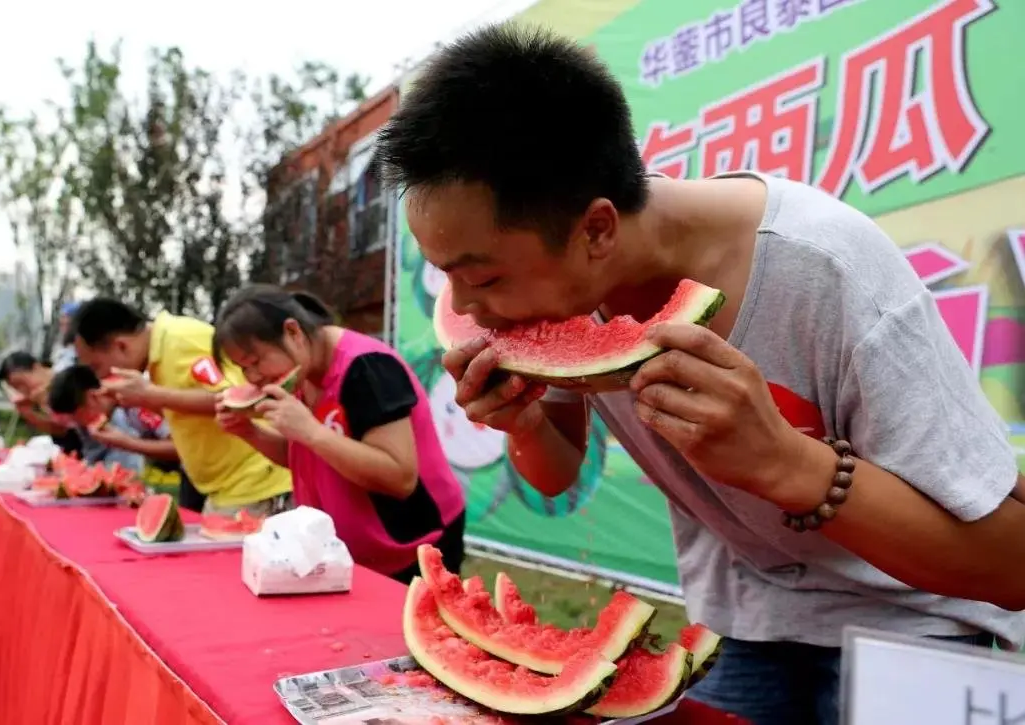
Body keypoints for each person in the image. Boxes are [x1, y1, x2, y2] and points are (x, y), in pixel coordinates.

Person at [373, 23, 1025, 725]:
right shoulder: (560, 288)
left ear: (596, 230)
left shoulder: (830, 269)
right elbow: (556, 470)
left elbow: (1008, 563)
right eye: (448, 278)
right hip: (743, 619)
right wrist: (524, 420)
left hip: (911, 626)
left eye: (484, 277)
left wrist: (789, 464)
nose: (465, 309)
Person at [210, 285, 466, 583]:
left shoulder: (366, 367)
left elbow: (400, 477)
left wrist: (311, 432)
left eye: (256, 362)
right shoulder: (302, 374)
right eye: (243, 369)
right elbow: (309, 458)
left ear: (293, 332)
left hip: (415, 547)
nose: (253, 377)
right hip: (351, 556)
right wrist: (250, 432)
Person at [70, 298, 292, 516]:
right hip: (227, 491)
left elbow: (234, 400)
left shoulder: (181, 341)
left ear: (121, 346)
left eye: (96, 366)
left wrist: (153, 395)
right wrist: (145, 398)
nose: (99, 376)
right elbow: (189, 415)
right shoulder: (157, 362)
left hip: (257, 486)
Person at [46, 364, 206, 511]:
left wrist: (127, 443)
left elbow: (182, 447)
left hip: (195, 476)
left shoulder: (136, 402)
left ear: (91, 398)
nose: (77, 423)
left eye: (76, 416)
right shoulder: (91, 422)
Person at [0, 351, 83, 456]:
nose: (23, 391)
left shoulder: (69, 378)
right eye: (16, 388)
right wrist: (29, 413)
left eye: (22, 383)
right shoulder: (36, 400)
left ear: (36, 367)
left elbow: (72, 428)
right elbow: (59, 431)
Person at [52, 301, 81, 372]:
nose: (64, 321)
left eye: (68, 317)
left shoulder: (82, 349)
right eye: (62, 317)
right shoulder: (60, 347)